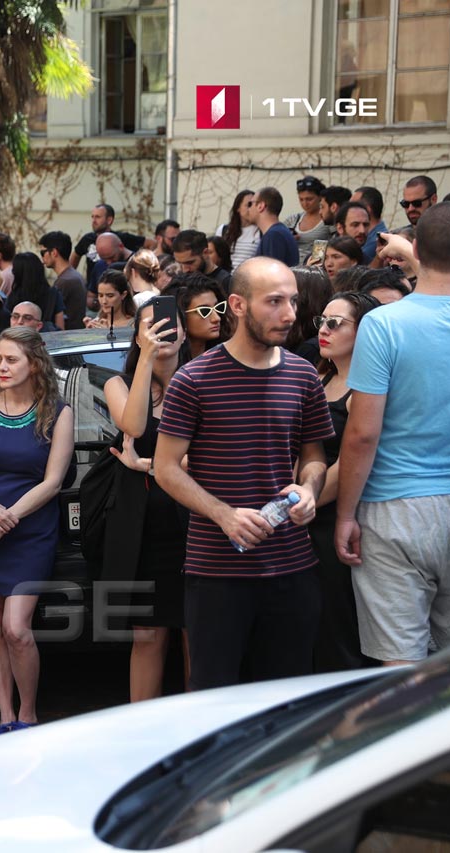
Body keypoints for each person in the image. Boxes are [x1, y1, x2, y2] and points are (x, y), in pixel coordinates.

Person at [154, 257, 333, 690]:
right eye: (274, 302)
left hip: (292, 568)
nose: (288, 314)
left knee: (288, 698)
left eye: (293, 301)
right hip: (217, 573)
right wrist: (224, 514)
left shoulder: (303, 375)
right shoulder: (194, 379)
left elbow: (314, 456)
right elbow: (165, 468)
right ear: (237, 305)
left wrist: (310, 489)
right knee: (215, 698)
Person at [336, 201, 450, 666]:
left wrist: (345, 514)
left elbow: (362, 434)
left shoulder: (383, 324)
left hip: (393, 509)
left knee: (399, 669)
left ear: (416, 250)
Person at [0, 326, 75, 732]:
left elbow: (53, 482)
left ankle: (28, 716)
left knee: (16, 628)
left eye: (11, 360)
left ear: (34, 364)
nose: (2, 367)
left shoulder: (58, 412)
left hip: (31, 529)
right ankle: (5, 717)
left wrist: (7, 519)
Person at [103, 303, 190, 702]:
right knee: (147, 635)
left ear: (184, 333)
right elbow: (134, 425)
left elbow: (211, 454)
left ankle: (201, 724)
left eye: (170, 324)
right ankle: (144, 724)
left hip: (196, 522)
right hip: (144, 530)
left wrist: (152, 465)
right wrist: (147, 358)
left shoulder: (201, 379)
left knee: (197, 632)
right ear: (137, 335)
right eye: (150, 325)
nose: (162, 331)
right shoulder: (118, 384)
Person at [309, 290, 381, 672]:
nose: (324, 329)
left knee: (338, 631)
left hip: (337, 518)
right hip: (305, 513)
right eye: (321, 321)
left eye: (335, 323)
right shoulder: (319, 377)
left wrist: (298, 502)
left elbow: (351, 459)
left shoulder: (364, 390)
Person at [39, 230, 87, 329]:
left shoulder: (65, 281)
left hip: (68, 335)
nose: (42, 257)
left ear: (54, 252)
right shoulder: (74, 276)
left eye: (43, 253)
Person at [172, 275, 227, 359]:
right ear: (181, 316)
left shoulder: (226, 357)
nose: (216, 318)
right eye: (204, 311)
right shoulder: (163, 361)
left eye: (218, 307)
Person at [7, 251, 64, 329]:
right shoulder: (53, 294)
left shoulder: (13, 297)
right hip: (47, 335)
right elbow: (60, 326)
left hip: (20, 335)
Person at [285, 176, 334, 263]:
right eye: (301, 199)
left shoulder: (328, 220)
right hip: (292, 266)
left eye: (309, 199)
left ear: (320, 197)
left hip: (315, 265)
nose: (305, 203)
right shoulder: (293, 220)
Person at [249, 187, 300, 267]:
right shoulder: (278, 232)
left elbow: (271, 273)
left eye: (250, 204)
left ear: (260, 206)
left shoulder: (274, 236)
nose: (249, 209)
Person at [352, 186, 388, 262]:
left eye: (353, 206)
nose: (348, 210)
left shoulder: (376, 241)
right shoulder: (372, 235)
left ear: (366, 210)